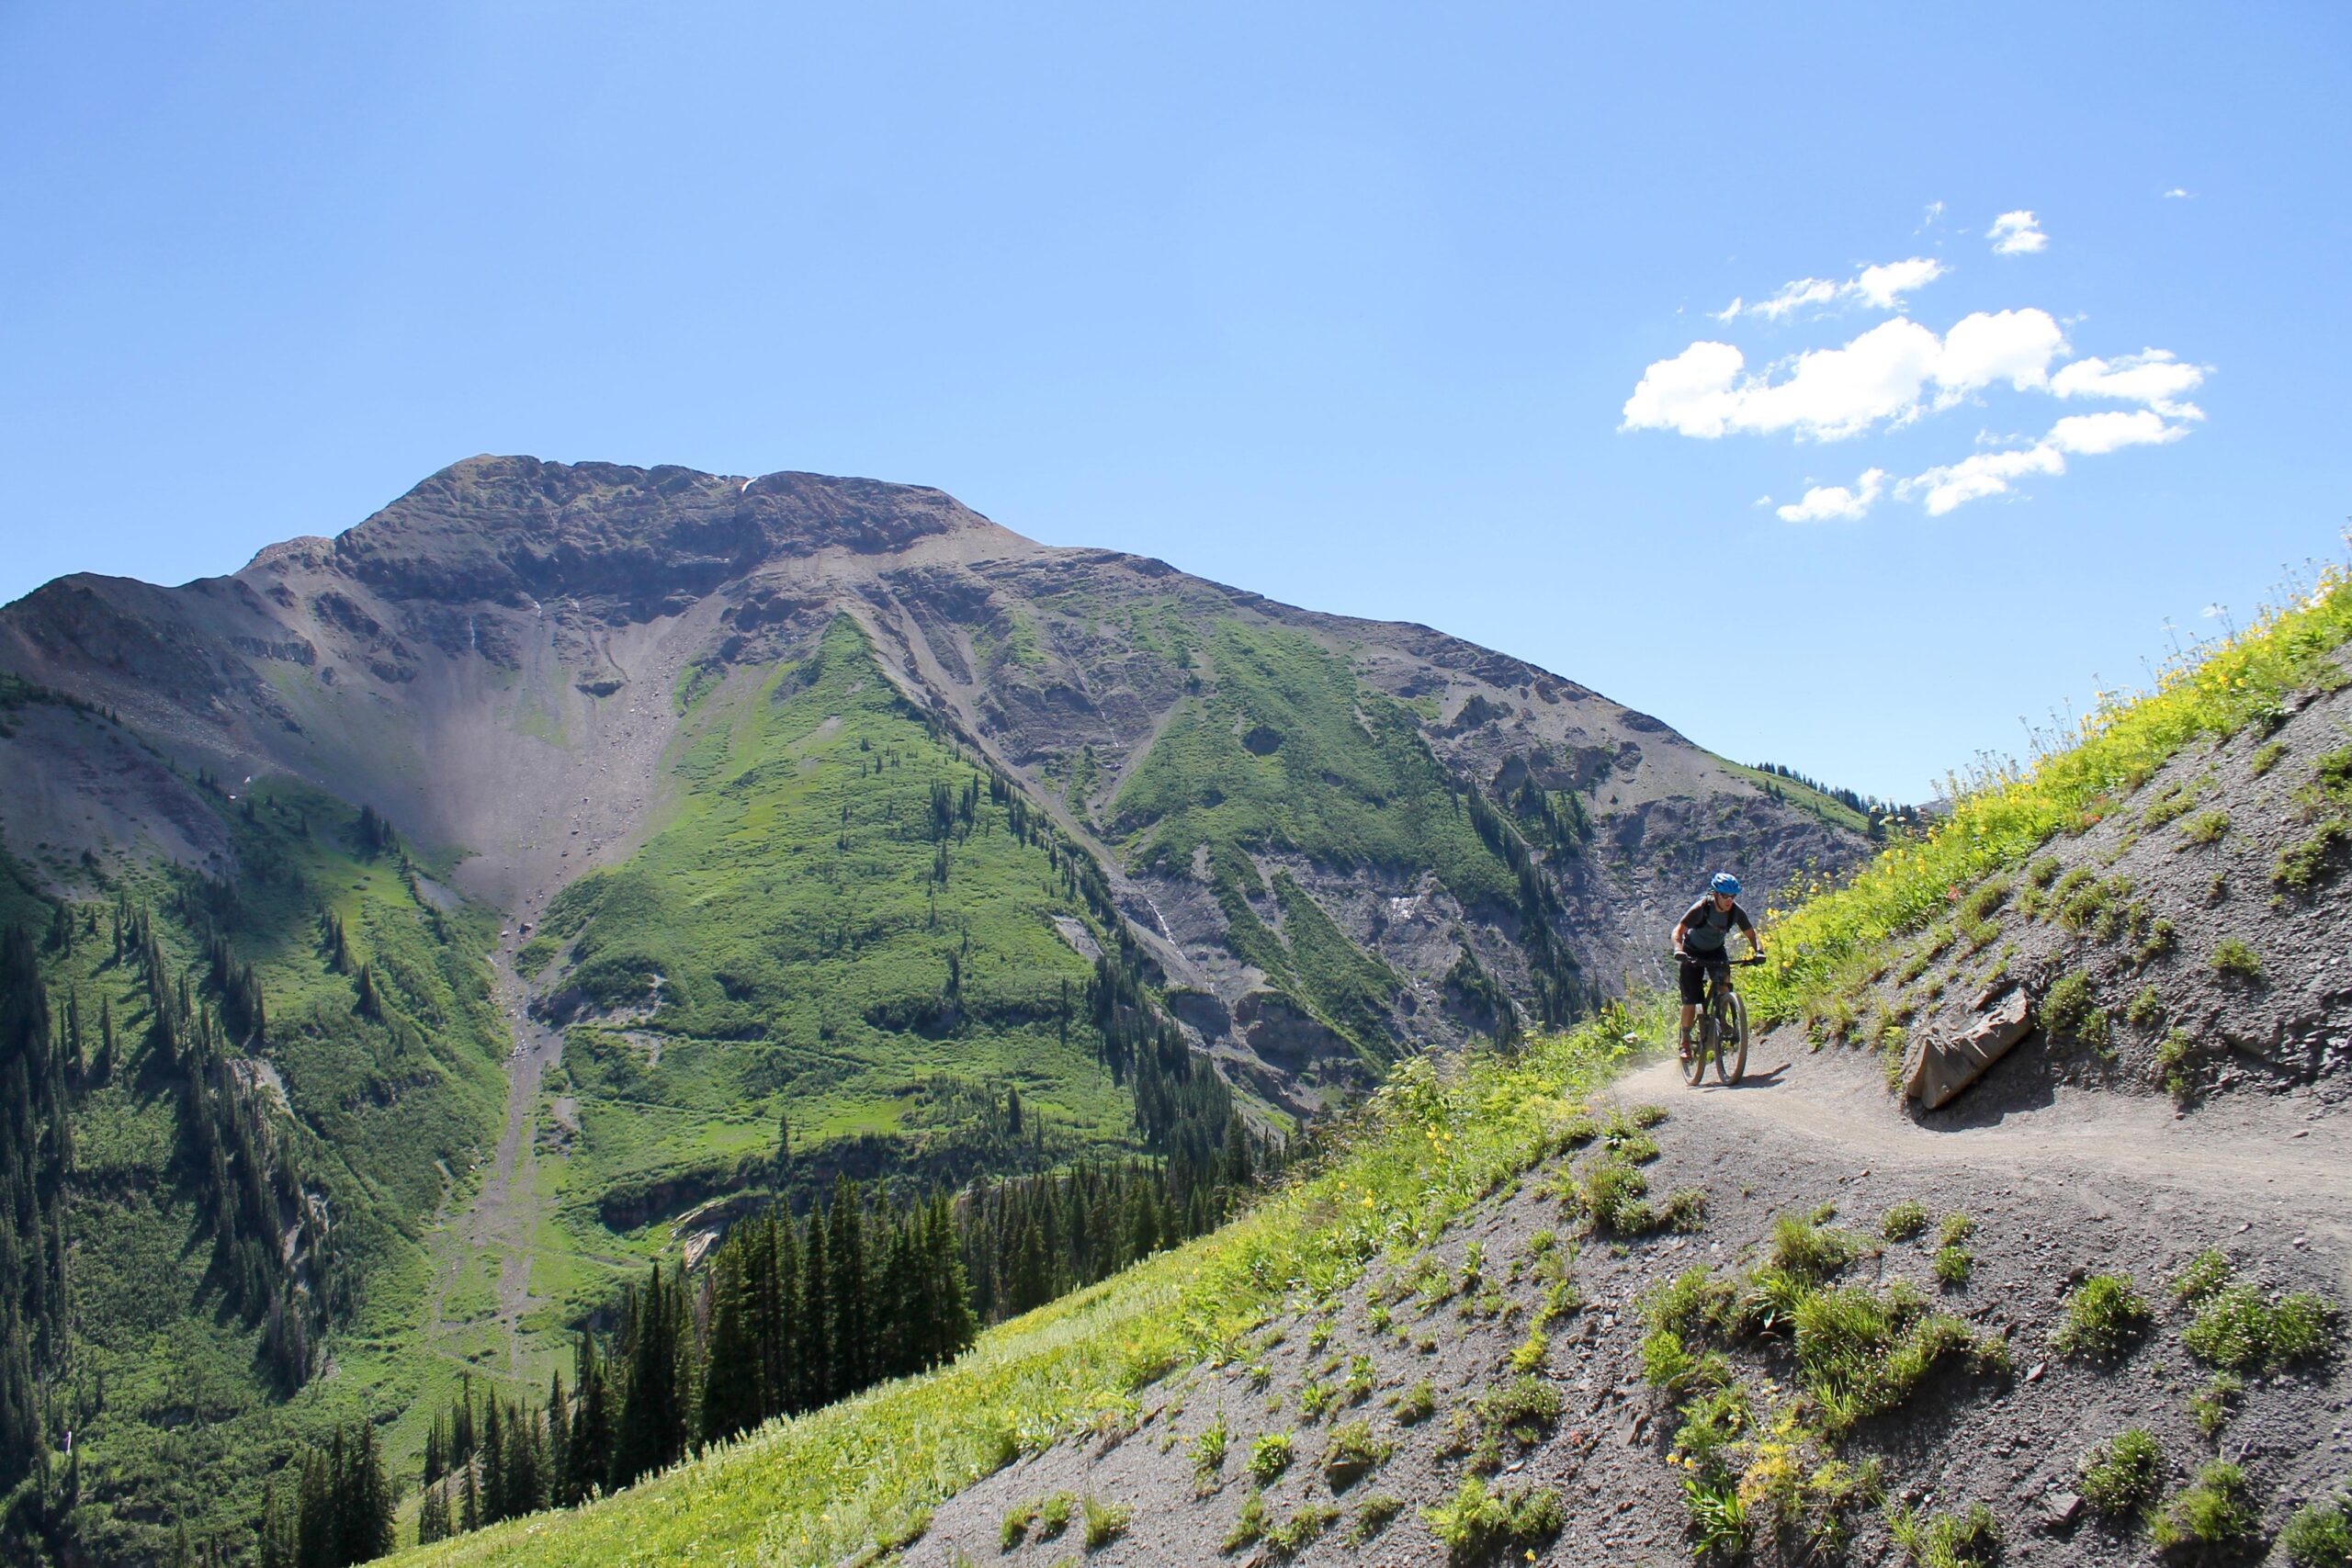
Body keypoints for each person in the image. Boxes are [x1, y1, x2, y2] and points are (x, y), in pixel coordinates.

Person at [1674, 871, 1764, 1059]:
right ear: (1715, 894)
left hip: (1716, 951)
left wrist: (1759, 952)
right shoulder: (1701, 908)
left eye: (1732, 896)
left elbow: (1751, 934)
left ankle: (1721, 1020)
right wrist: (1678, 950)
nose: (1729, 900)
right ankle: (1684, 1041)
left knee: (1724, 985)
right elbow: (1679, 930)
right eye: (1725, 896)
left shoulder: (1736, 912)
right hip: (1692, 951)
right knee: (1691, 1000)